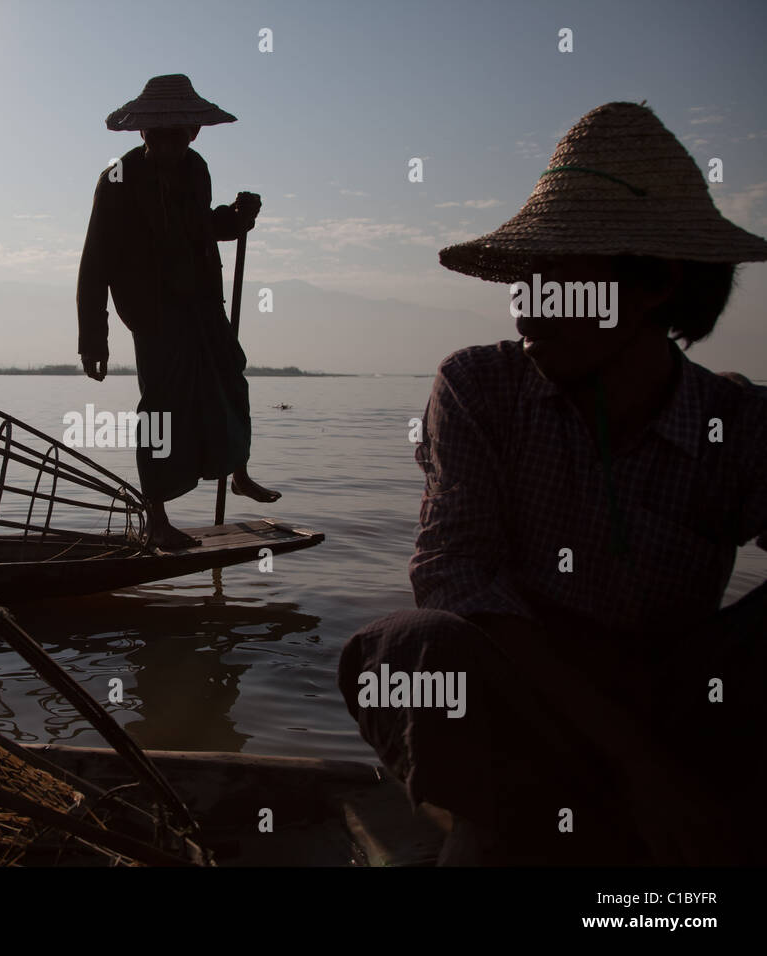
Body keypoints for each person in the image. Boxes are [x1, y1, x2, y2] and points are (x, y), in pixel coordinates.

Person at [337, 101, 767, 865]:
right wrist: (639, 767)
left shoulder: (736, 421)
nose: (523, 308)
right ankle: (515, 821)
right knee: (415, 652)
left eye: (552, 278)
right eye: (520, 279)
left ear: (655, 285)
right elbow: (455, 575)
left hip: (671, 701)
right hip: (527, 701)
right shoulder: (481, 388)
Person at [77, 74, 279, 552]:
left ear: (194, 132)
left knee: (230, 375)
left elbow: (198, 229)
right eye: (157, 135)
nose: (167, 144)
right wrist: (94, 338)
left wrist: (236, 217)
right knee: (162, 409)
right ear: (142, 133)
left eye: (177, 134)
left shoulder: (195, 169)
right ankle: (158, 519)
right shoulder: (117, 179)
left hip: (201, 302)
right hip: (153, 312)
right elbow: (96, 259)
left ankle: (239, 472)